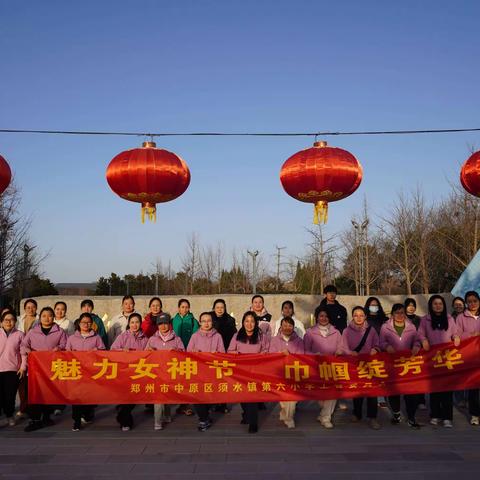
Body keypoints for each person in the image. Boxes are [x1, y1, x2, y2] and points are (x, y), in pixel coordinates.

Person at [21, 306, 67, 432]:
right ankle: (35, 420)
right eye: (44, 316)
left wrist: (59, 348)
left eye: (50, 315)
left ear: (54, 317)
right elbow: (23, 345)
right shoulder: (33, 331)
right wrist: (28, 351)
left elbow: (65, 345)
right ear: (40, 318)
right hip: (35, 369)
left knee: (48, 394)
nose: (47, 318)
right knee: (34, 394)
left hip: (51, 368)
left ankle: (47, 417)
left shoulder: (60, 331)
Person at [418, 294, 460, 428]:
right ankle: (435, 415)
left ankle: (447, 417)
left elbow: (455, 332)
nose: (438, 306)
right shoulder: (425, 320)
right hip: (433, 359)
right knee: (434, 389)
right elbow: (420, 333)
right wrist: (424, 340)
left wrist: (456, 337)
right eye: (435, 303)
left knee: (447, 390)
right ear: (431, 305)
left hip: (447, 358)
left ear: (443, 305)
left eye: (440, 303)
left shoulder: (449, 319)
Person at [379, 303, 421, 429]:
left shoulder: (411, 327)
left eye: (402, 312)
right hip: (392, 363)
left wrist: (416, 346)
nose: (400, 315)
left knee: (411, 392)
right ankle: (397, 414)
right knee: (394, 391)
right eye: (397, 313)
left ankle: (411, 417)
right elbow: (381, 342)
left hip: (408, 364)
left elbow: (417, 340)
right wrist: (387, 346)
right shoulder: (385, 327)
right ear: (392, 314)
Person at [228, 311, 269, 433]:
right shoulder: (237, 335)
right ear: (243, 322)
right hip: (240, 372)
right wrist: (233, 353)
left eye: (252, 321)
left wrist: (264, 354)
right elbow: (230, 350)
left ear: (256, 323)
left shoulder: (261, 336)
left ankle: (253, 422)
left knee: (252, 397)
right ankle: (246, 414)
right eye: (247, 321)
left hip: (256, 371)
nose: (249, 324)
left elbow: (267, 350)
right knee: (243, 396)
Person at [342, 306, 381, 430]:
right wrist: (350, 352)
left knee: (372, 391)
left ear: (365, 316)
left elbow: (377, 343)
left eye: (361, 315)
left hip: (369, 365)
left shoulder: (371, 330)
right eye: (355, 315)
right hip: (354, 364)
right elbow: (343, 347)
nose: (358, 317)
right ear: (352, 317)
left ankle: (372, 417)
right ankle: (357, 413)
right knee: (357, 390)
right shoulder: (346, 331)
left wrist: (375, 349)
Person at [304, 306, 343, 428]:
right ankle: (323, 414)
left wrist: (339, 352)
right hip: (315, 368)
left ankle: (326, 418)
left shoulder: (336, 332)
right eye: (321, 316)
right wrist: (314, 356)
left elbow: (340, 346)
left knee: (332, 392)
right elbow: (304, 350)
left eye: (326, 316)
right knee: (320, 395)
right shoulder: (310, 332)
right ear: (317, 317)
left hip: (331, 368)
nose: (324, 318)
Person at [66, 312, 105, 431]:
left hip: (91, 372)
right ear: (79, 323)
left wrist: (97, 350)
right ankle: (76, 421)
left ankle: (88, 414)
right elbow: (66, 353)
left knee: (89, 396)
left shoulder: (96, 337)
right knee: (76, 397)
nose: (86, 324)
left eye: (89, 322)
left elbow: (103, 351)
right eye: (83, 322)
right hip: (76, 371)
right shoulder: (72, 338)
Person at [187, 312, 225, 431]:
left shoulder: (217, 336)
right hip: (197, 372)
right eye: (204, 321)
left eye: (209, 321)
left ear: (212, 322)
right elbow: (188, 352)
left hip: (212, 372)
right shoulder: (195, 336)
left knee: (209, 397)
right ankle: (203, 420)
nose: (206, 323)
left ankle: (206, 415)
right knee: (197, 396)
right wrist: (195, 353)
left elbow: (223, 353)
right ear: (200, 322)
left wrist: (216, 354)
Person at [146, 313, 184, 430]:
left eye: (165, 323)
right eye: (160, 324)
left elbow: (184, 354)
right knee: (158, 398)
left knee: (167, 395)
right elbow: (144, 355)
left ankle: (167, 415)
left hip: (170, 373)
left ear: (170, 324)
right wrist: (149, 350)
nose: (163, 326)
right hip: (156, 373)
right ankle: (158, 422)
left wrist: (176, 351)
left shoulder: (177, 339)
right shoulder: (152, 339)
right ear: (157, 325)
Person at [111, 312, 149, 431]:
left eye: (137, 322)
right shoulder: (123, 336)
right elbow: (112, 350)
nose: (134, 324)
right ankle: (126, 422)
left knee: (134, 397)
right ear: (129, 324)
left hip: (138, 372)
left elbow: (148, 354)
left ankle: (121, 413)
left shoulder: (145, 338)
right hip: (124, 371)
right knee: (127, 397)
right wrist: (122, 350)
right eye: (132, 322)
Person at [269, 316, 304, 428]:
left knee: (291, 399)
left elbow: (302, 356)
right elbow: (270, 355)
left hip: (293, 374)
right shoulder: (274, 340)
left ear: (293, 327)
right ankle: (285, 414)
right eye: (285, 325)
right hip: (278, 374)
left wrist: (291, 356)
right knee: (284, 399)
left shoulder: (299, 341)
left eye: (290, 325)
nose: (287, 328)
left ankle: (289, 418)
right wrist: (280, 353)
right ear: (281, 327)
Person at [455, 291, 480, 425]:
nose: (472, 304)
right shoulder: (461, 317)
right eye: (469, 301)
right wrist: (472, 334)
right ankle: (475, 415)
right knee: (474, 387)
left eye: (475, 301)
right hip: (471, 357)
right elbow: (457, 334)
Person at [172, 299, 198, 416]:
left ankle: (185, 405)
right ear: (178, 308)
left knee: (187, 381)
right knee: (177, 380)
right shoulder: (173, 321)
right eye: (182, 307)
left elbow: (196, 337)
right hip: (175, 355)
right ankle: (179, 404)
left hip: (189, 355)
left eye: (186, 307)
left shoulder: (193, 321)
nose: (184, 309)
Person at [210, 299, 236, 414]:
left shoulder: (230, 320)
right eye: (217, 307)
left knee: (223, 380)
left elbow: (234, 336)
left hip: (225, 354)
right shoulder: (209, 319)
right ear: (213, 308)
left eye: (222, 307)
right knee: (211, 380)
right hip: (211, 355)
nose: (220, 309)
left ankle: (223, 403)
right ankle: (212, 403)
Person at [0, 311, 26, 426]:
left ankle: (9, 416)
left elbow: (23, 353)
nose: (8, 322)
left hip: (13, 369)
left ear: (15, 322)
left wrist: (22, 367)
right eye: (6, 320)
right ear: (1, 322)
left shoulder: (20, 334)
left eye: (11, 320)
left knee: (10, 395)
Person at [16, 299, 38, 420]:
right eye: (28, 307)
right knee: (22, 382)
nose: (30, 309)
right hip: (20, 354)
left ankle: (33, 408)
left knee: (33, 383)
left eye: (33, 307)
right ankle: (23, 408)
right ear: (24, 308)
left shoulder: (40, 320)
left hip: (34, 355)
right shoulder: (19, 320)